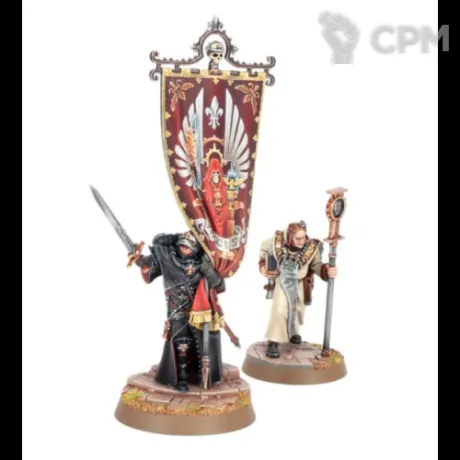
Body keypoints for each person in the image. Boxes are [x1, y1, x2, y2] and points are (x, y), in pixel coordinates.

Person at [135, 231, 225, 392]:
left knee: (202, 346)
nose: (183, 248)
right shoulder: (168, 259)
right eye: (182, 244)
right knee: (181, 343)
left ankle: (201, 378)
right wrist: (144, 266)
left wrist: (209, 272)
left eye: (187, 246)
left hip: (200, 313)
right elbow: (149, 276)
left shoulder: (203, 261)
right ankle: (181, 378)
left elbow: (220, 286)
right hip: (177, 312)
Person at [259, 221, 337, 358]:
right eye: (297, 238)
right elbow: (264, 254)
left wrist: (326, 270)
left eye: (303, 237)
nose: (301, 241)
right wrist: (263, 267)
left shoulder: (311, 247)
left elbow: (316, 265)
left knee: (298, 309)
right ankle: (274, 340)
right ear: (290, 237)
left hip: (299, 282)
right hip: (282, 280)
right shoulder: (276, 242)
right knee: (280, 309)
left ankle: (293, 332)